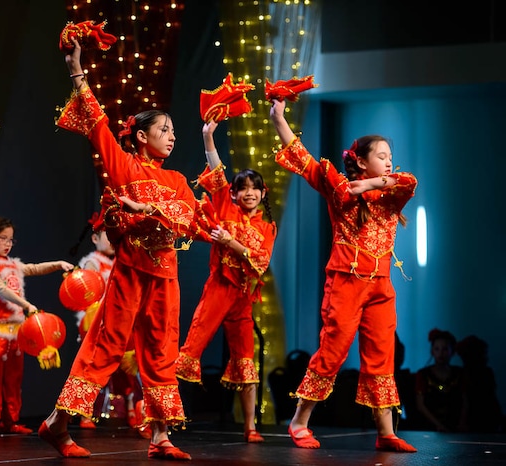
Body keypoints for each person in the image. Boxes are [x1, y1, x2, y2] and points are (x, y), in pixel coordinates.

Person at [39, 37, 196, 460]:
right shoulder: (124, 165)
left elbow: (189, 222)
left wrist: (147, 209)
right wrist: (76, 70)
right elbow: (96, 123)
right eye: (164, 130)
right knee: (105, 346)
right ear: (141, 135)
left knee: (163, 350)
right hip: (129, 273)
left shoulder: (179, 181)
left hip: (166, 277)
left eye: (174, 131)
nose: (171, 137)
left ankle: (160, 436)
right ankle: (58, 423)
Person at [270, 98, 417, 452]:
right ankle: (299, 421)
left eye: (388, 155)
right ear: (361, 161)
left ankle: (386, 431)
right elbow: (301, 157)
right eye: (380, 155)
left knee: (382, 354)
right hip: (346, 281)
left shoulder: (389, 194)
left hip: (381, 284)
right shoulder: (338, 187)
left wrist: (371, 185)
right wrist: (278, 117)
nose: (388, 160)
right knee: (333, 351)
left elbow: (409, 181)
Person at [176, 121, 276, 443]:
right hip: (220, 288)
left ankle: (250, 426)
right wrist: (207, 135)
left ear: (262, 193)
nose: (249, 193)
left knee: (246, 360)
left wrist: (232, 243)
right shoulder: (223, 207)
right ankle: (159, 416)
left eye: (254, 188)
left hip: (243, 297)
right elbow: (216, 170)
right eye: (242, 188)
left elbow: (260, 261)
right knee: (190, 350)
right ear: (233, 193)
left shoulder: (267, 228)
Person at [0, 213, 73, 436]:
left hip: (15, 333)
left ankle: (11, 419)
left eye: (10, 240)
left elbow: (34, 268)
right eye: (3, 239)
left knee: (13, 379)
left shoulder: (13, 264)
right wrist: (27, 305)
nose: (7, 244)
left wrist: (57, 264)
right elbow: (2, 290)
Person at [73, 217, 142, 431]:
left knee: (126, 368)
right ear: (95, 238)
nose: (113, 239)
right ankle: (85, 412)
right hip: (99, 320)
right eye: (107, 235)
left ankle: (130, 407)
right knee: (94, 367)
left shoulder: (122, 260)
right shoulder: (92, 262)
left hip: (122, 320)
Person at [414, 328, 468, 432]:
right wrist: (438, 425)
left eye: (445, 349)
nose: (441, 353)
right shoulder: (423, 374)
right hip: (428, 427)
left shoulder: (460, 374)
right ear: (432, 351)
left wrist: (462, 423)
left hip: (455, 426)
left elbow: (465, 401)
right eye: (437, 349)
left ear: (452, 351)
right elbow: (420, 405)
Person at [456, 334, 503, 433]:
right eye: (484, 353)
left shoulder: (484, 373)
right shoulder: (466, 374)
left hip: (485, 418)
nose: (486, 357)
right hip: (479, 418)